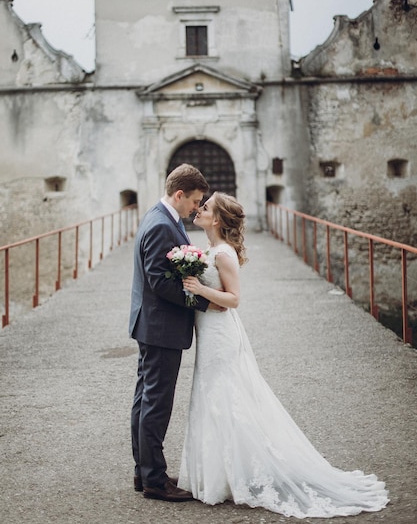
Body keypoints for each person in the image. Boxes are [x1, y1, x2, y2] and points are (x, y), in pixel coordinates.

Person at [178, 191, 389, 518]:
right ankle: (219, 475)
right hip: (209, 332)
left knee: (223, 397)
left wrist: (198, 288)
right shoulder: (211, 250)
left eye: (205, 208)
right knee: (211, 398)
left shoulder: (223, 254)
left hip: (221, 335)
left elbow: (233, 299)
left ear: (217, 219)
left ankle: (230, 476)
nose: (199, 210)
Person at [129, 163, 218, 502]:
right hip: (160, 326)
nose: (197, 208)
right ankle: (154, 478)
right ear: (179, 195)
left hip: (152, 324)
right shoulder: (161, 225)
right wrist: (202, 301)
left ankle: (145, 471)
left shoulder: (159, 217)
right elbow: (158, 281)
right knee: (156, 403)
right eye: (195, 201)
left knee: (145, 399)